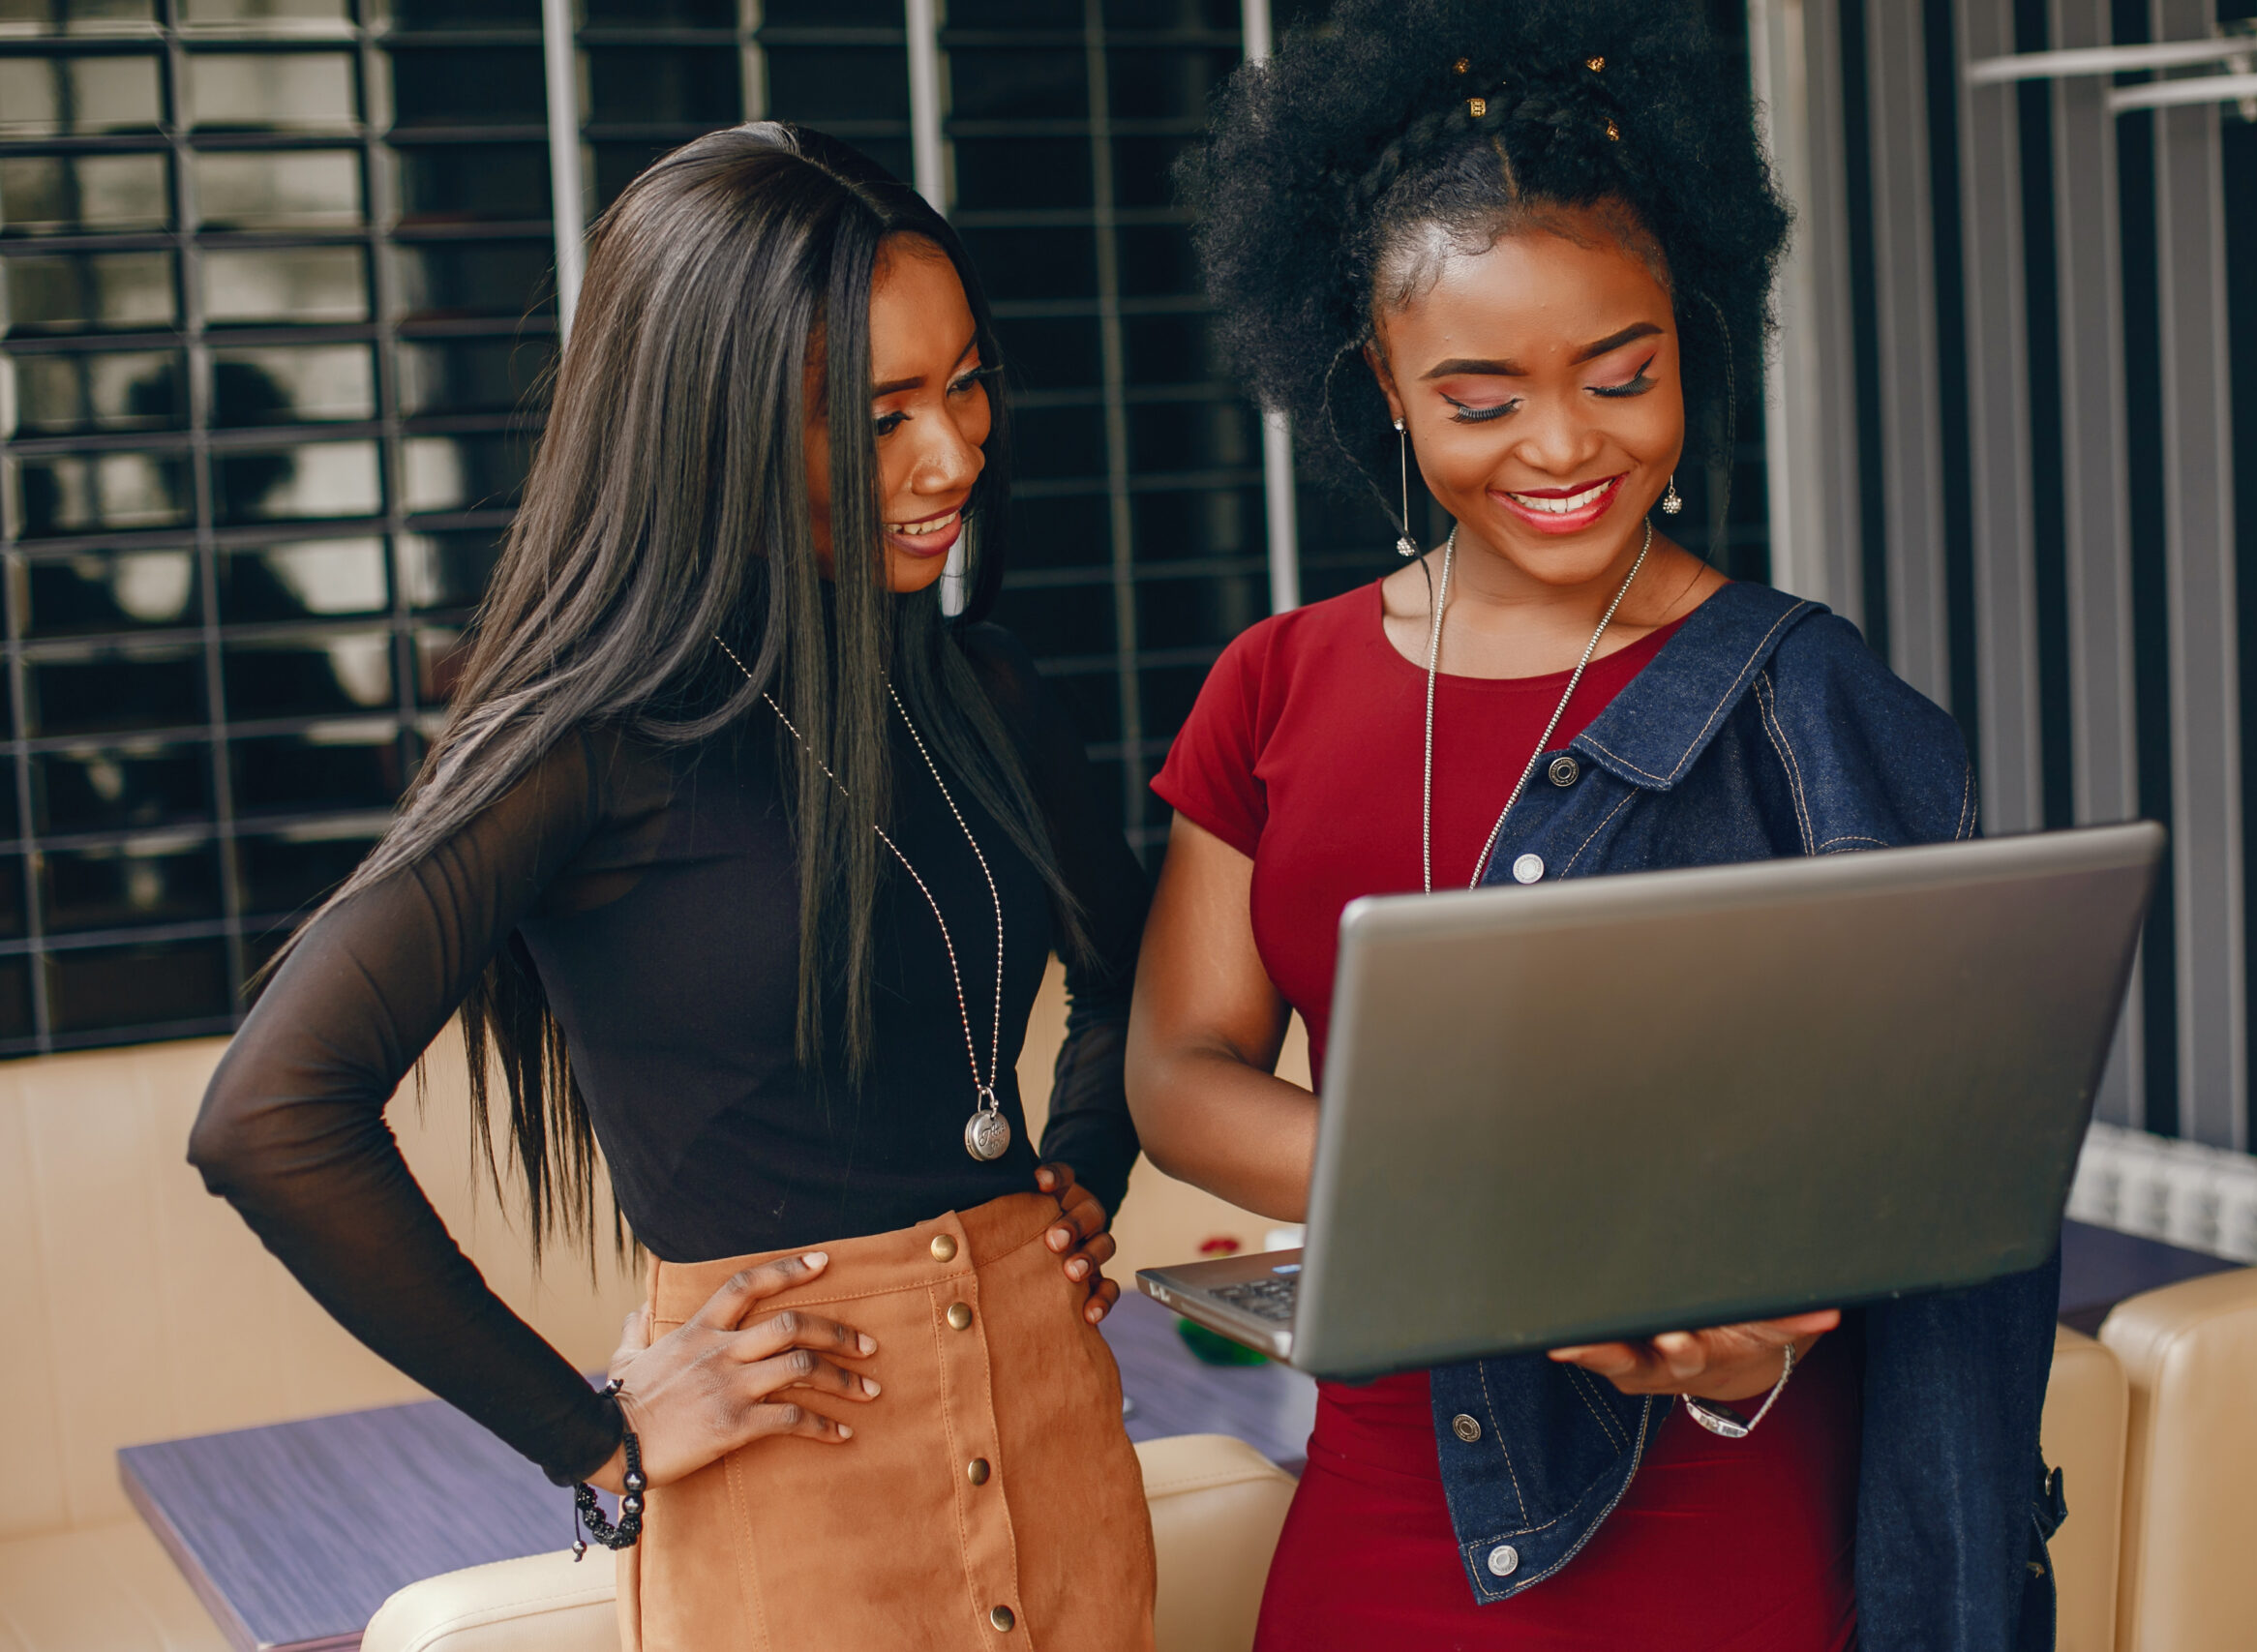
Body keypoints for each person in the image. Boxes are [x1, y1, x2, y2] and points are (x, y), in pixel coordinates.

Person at [1128, 5, 2061, 1649]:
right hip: (1389, 1512)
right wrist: (1483, 1191)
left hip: (1724, 1501)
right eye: (1481, 401)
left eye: (1621, 376)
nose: (1563, 448)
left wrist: (1756, 1331)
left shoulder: (1813, 707)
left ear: (1688, 336)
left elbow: (1910, 1159)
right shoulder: (1274, 684)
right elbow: (1181, 1068)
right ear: (1382, 388)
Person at [190, 123, 1156, 1652]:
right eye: (879, 411)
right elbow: (270, 1115)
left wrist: (1083, 1168)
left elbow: (1130, 977)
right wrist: (595, 1433)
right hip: (791, 1491)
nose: (956, 453)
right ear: (710, 429)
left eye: (964, 382)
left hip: (1063, 1439)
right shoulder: (583, 751)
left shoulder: (991, 691)